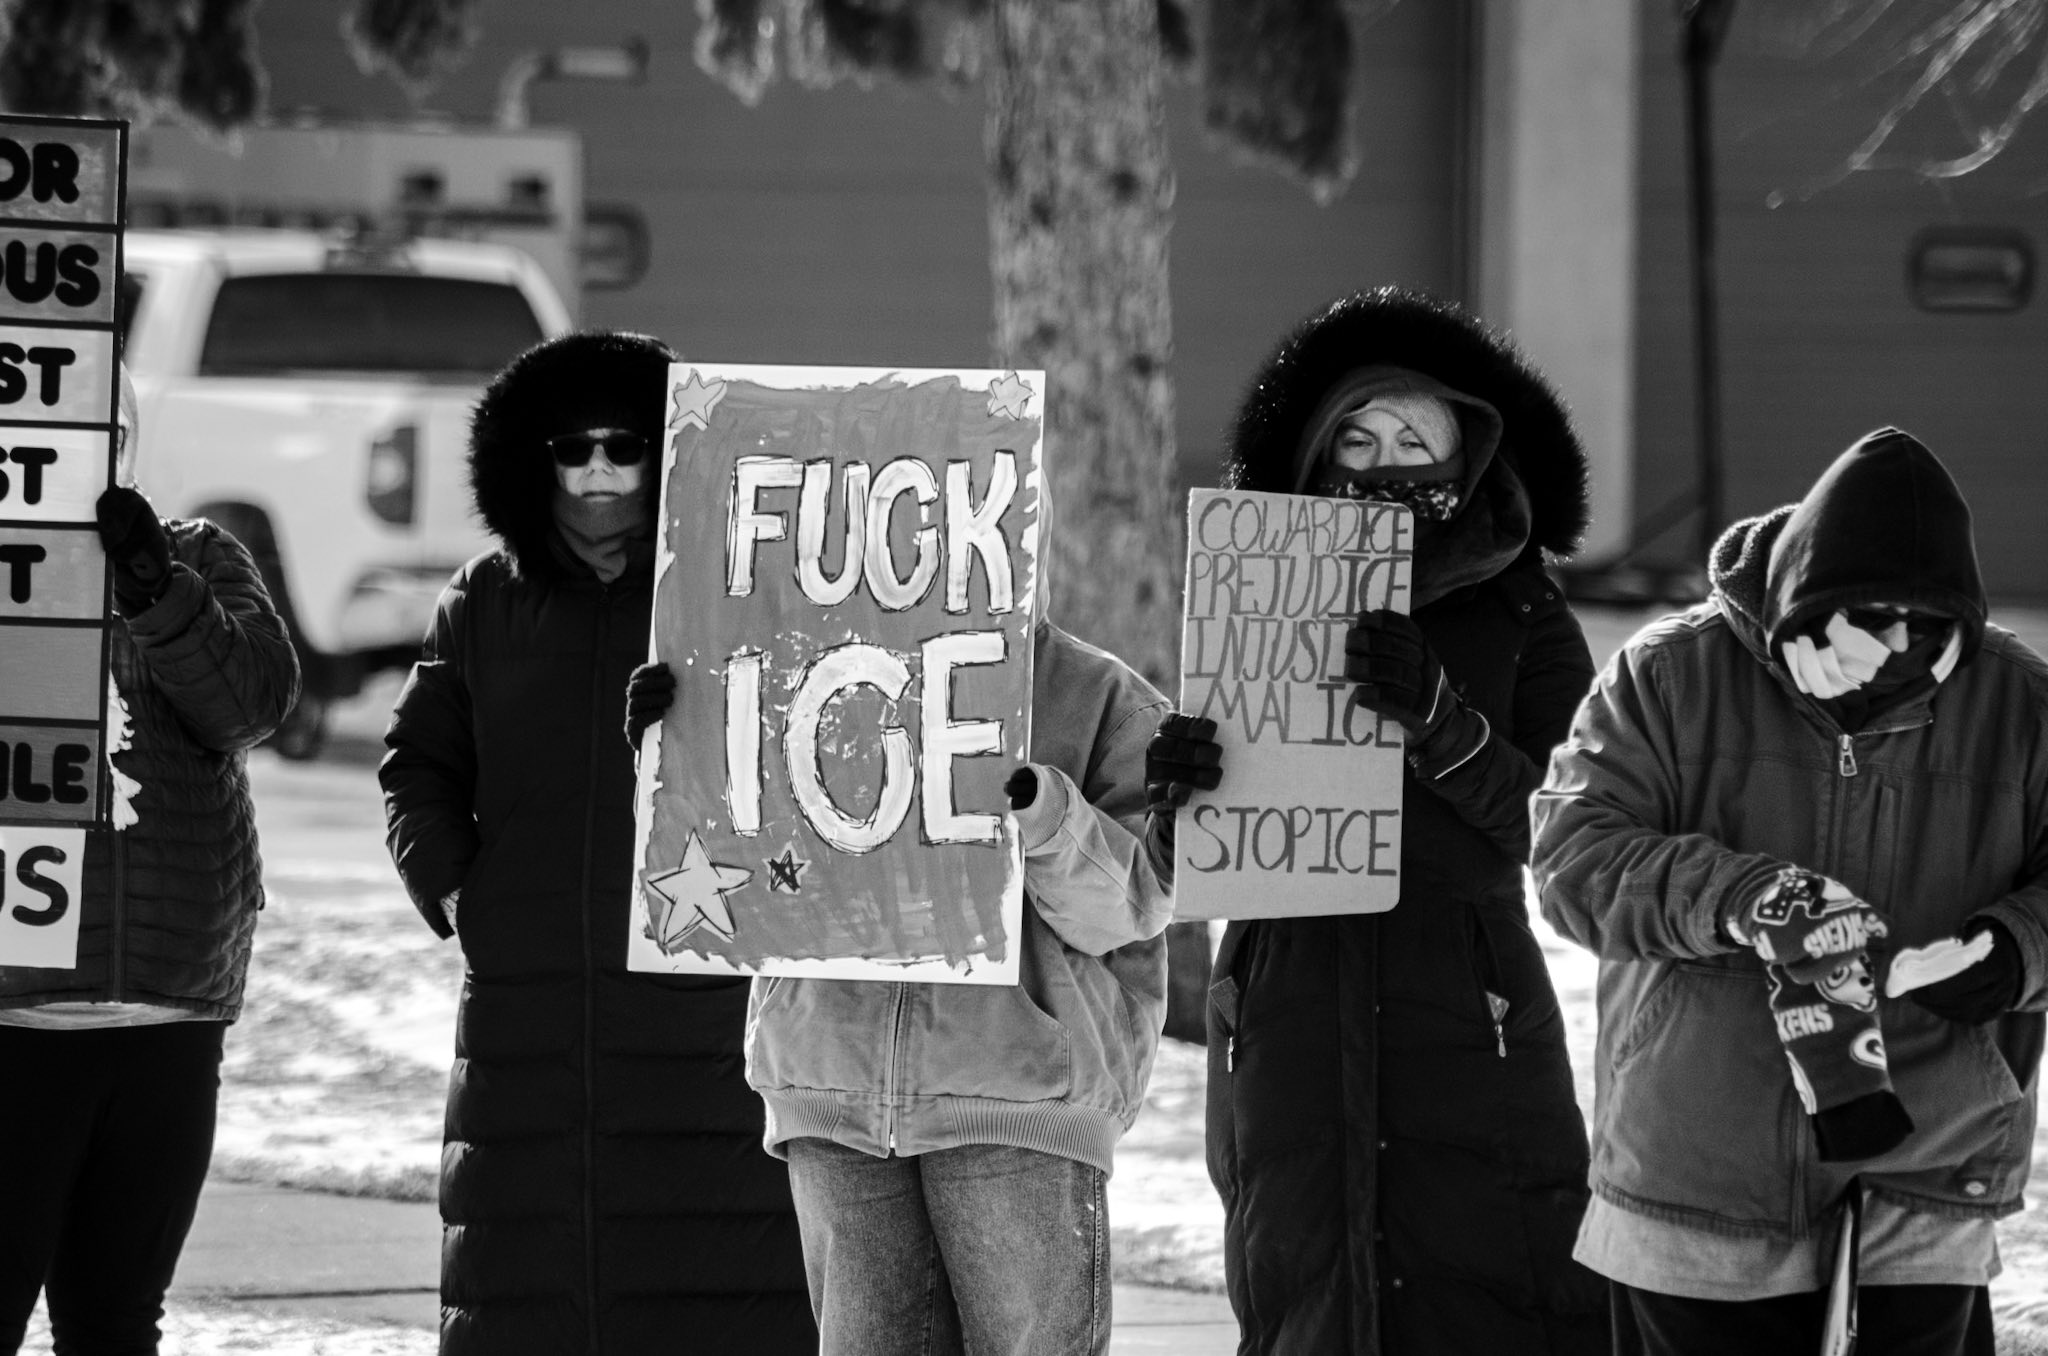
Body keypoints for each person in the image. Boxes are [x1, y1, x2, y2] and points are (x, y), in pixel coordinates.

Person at [624, 479, 1187, 1355]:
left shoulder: (1100, 696)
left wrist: (1042, 812)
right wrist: (681, 750)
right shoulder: (783, 667)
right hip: (830, 1085)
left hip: (1017, 1099)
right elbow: (727, 869)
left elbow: (1129, 911)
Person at [1531, 427, 2048, 1356]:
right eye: (1872, 618)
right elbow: (1573, 857)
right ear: (1806, 600)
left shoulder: (2020, 701)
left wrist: (2016, 949)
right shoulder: (1671, 674)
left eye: (1928, 626)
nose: (1897, 648)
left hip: (1926, 1163)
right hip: (1698, 1167)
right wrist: (1739, 896)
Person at [379, 331, 815, 1354]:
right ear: (532, 462)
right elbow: (417, 764)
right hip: (528, 1009)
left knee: (716, 1282)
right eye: (572, 449)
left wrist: (704, 718)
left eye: (625, 445)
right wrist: (458, 892)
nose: (600, 471)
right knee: (526, 1282)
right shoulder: (482, 601)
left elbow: (817, 755)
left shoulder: (741, 593)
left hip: (704, 1005)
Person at [1201, 287, 1610, 1354]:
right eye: (1356, 437)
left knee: (1493, 1284)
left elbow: (1571, 827)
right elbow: (1196, 849)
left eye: (1413, 441)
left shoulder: (1523, 610)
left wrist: (1441, 724)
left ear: (1466, 456)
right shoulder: (1251, 591)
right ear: (1314, 449)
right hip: (1286, 999)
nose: (1382, 463)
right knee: (1308, 1294)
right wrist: (1183, 786)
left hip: (1464, 997)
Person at [0, 365, 301, 1353]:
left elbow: (249, 706)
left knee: (116, 1322)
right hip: (14, 1013)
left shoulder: (194, 555)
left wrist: (152, 588)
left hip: (170, 1007)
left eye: (106, 430)